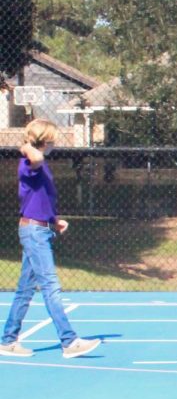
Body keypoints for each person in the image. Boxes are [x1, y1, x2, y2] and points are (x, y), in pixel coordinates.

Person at [1, 120, 101, 358]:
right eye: (52, 139)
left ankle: (7, 340)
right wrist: (26, 146)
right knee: (50, 286)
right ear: (44, 141)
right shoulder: (29, 163)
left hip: (40, 228)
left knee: (25, 290)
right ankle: (69, 341)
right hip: (34, 233)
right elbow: (35, 158)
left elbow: (38, 198)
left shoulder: (41, 166)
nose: (55, 143)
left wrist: (54, 220)